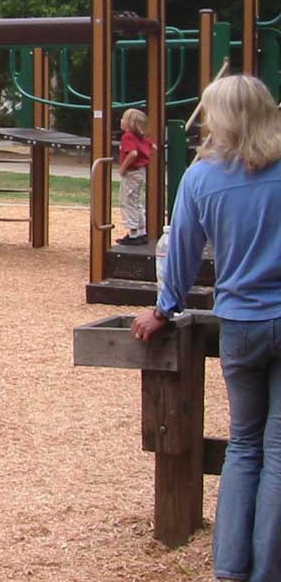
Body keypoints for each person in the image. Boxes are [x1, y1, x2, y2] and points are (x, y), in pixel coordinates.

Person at [131, 75, 281, 582]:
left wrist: (164, 308)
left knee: (243, 445)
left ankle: (230, 567)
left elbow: (183, 254)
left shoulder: (201, 177)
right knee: (278, 450)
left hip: (239, 319)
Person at [117, 107, 153, 245]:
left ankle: (132, 233)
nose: (121, 120)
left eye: (124, 118)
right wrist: (145, 161)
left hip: (132, 172)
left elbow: (133, 154)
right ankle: (141, 230)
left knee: (127, 201)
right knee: (136, 201)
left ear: (130, 123)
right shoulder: (141, 137)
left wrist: (123, 167)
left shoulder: (128, 136)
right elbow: (153, 148)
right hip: (140, 171)